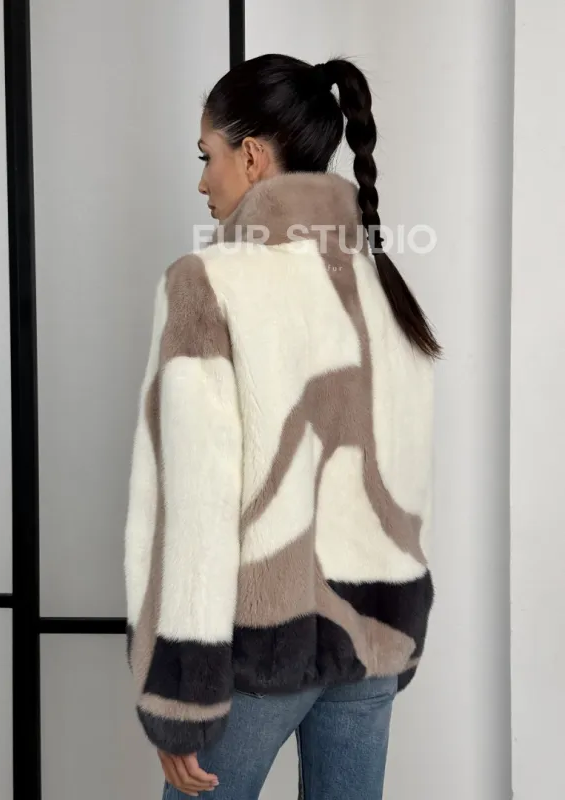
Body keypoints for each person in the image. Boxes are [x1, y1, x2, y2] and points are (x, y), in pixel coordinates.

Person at [124, 53, 440, 799]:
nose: (203, 181)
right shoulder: (380, 281)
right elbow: (404, 469)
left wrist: (180, 696)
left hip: (257, 650)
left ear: (252, 156)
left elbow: (196, 503)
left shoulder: (207, 283)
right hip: (372, 641)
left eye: (207, 156)